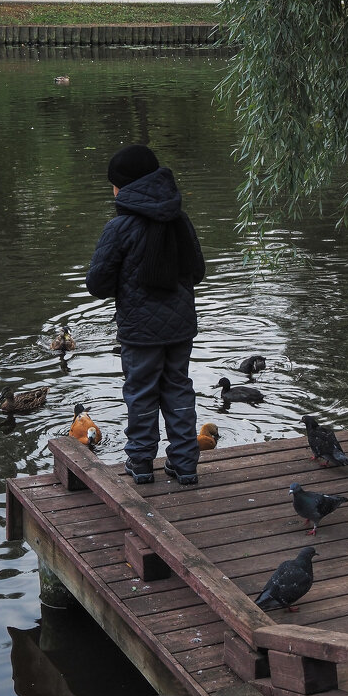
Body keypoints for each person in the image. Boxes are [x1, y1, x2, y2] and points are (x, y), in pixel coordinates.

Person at [86, 144, 206, 486]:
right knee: (178, 389)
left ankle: (140, 464)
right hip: (181, 328)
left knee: (140, 392)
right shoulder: (180, 220)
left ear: (124, 186)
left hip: (139, 331)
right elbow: (196, 272)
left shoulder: (119, 227)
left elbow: (98, 284)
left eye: (113, 183)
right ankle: (184, 466)